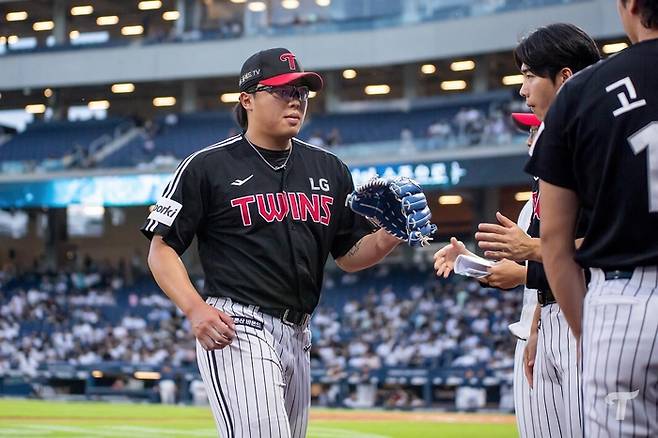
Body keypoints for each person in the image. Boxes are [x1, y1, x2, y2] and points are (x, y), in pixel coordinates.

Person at [143, 47, 415, 438]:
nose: (296, 101)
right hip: (237, 325)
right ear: (247, 99)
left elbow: (349, 256)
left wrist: (390, 234)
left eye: (301, 92)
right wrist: (194, 309)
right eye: (282, 91)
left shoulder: (330, 168)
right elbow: (162, 247)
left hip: (299, 333)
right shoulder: (207, 165)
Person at [434, 23, 600, 438]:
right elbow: (526, 266)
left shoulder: (601, 146)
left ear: (565, 77)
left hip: (595, 313)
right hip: (551, 315)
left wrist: (530, 259)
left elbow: (614, 241)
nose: (523, 91)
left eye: (529, 76)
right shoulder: (549, 172)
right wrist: (535, 323)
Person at [525, 2, 658, 436]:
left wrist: (590, 337)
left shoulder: (584, 91)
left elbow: (556, 248)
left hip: (626, 301)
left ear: (631, 5)